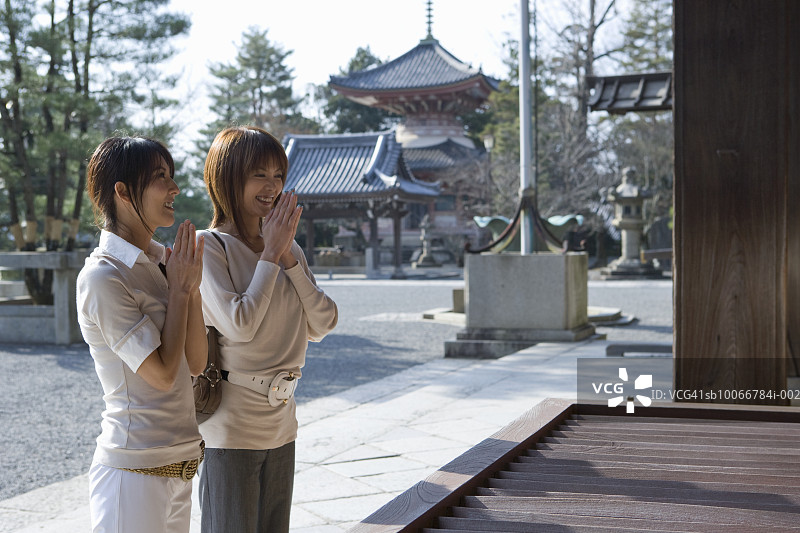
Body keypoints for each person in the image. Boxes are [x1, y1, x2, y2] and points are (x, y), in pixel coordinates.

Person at [197, 125, 338, 533]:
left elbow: (324, 322)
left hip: (282, 419)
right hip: (233, 426)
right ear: (228, 177)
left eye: (278, 176)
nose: (272, 186)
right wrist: (271, 255)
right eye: (259, 174)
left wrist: (287, 257)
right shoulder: (211, 247)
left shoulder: (288, 247)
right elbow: (239, 325)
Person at [76, 136, 207, 533]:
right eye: (160, 177)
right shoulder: (103, 276)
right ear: (122, 192)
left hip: (178, 465)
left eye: (172, 176)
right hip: (133, 471)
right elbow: (164, 375)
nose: (174, 188)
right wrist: (180, 290)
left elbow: (196, 363)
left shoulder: (159, 262)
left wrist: (191, 286)